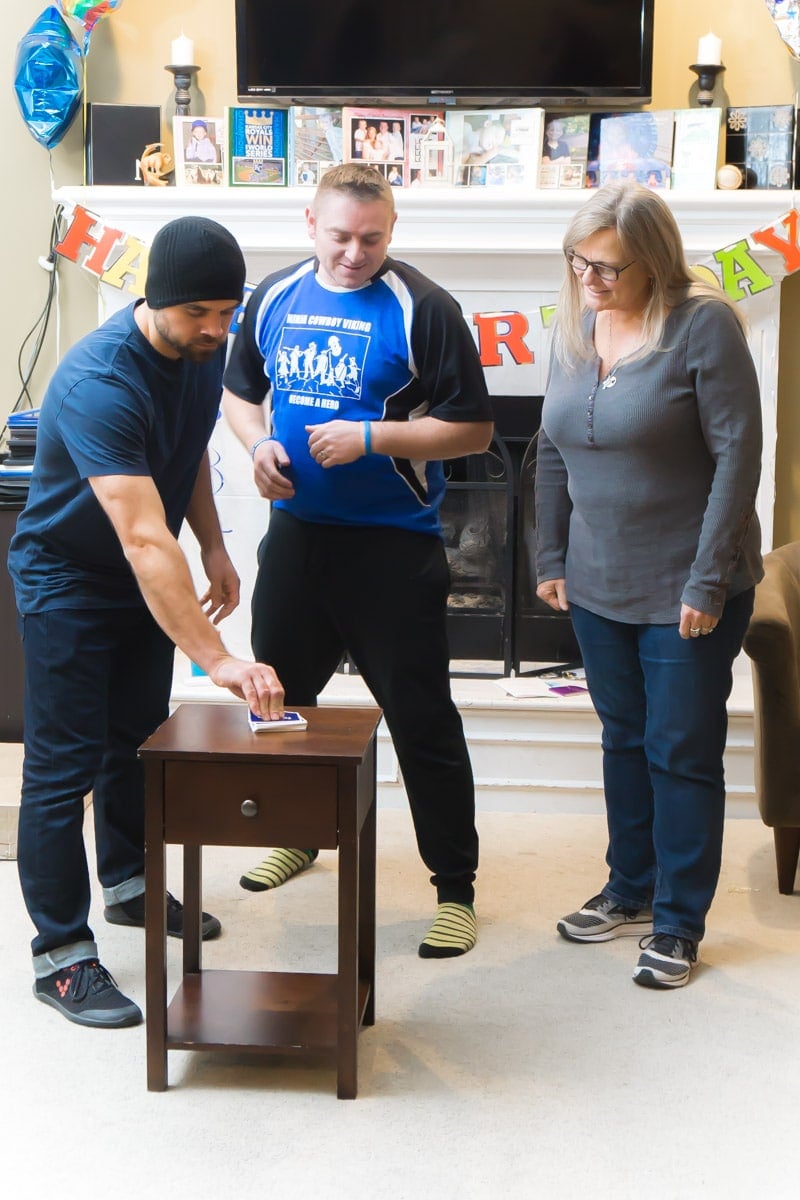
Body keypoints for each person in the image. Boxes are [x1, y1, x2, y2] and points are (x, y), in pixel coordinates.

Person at [8, 216, 285, 1029]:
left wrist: (217, 548)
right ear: (155, 298)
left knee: (133, 741)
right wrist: (217, 659)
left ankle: (126, 885)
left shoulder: (200, 356)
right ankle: (60, 958)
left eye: (226, 311)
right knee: (60, 770)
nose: (215, 328)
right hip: (67, 578)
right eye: (198, 312)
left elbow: (187, 450)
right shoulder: (102, 380)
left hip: (139, 575)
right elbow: (137, 531)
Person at [222, 163, 494, 958]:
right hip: (297, 540)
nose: (354, 253)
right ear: (311, 223)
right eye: (340, 236)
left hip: (393, 549)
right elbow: (239, 394)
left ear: (392, 231)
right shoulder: (272, 297)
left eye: (372, 238)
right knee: (281, 707)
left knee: (421, 720)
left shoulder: (424, 309)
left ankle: (455, 888)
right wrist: (257, 444)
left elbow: (474, 430)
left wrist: (373, 437)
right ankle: (301, 836)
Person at [535, 180, 763, 989]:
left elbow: (739, 461)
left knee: (681, 750)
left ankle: (678, 923)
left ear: (654, 264)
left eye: (608, 267)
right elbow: (554, 448)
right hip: (598, 584)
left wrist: (707, 581)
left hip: (688, 586)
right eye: (578, 261)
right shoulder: (571, 325)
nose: (589, 280)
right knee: (622, 739)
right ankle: (628, 888)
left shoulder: (702, 327)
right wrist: (549, 557)